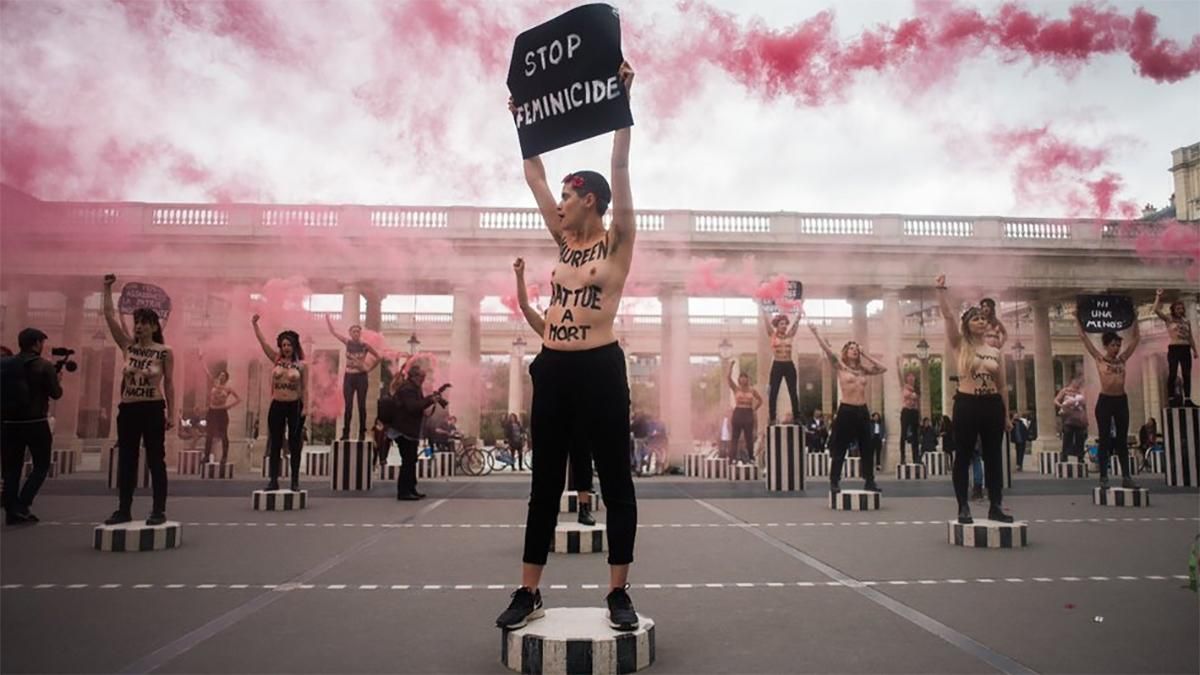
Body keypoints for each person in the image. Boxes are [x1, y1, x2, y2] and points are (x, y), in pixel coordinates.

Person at [497, 62, 640, 633]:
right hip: (553, 366)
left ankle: (618, 592)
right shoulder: (562, 241)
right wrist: (523, 122)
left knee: (616, 478)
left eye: (567, 194)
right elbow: (532, 174)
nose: (558, 201)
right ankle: (528, 590)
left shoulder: (617, 242)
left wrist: (623, 106)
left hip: (600, 368)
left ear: (591, 200)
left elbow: (620, 167)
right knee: (544, 483)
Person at [937, 274, 1013, 524]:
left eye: (983, 318)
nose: (981, 321)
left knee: (994, 457)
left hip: (992, 404)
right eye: (975, 318)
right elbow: (948, 317)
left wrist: (1006, 415)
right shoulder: (959, 345)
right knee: (963, 455)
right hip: (967, 404)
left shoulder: (994, 351)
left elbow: (1002, 386)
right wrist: (941, 291)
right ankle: (963, 506)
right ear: (967, 324)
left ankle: (996, 505)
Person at [102, 274, 175, 525]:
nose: (139, 327)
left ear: (155, 327)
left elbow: (170, 383)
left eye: (144, 323)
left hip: (153, 407)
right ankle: (124, 509)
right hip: (128, 409)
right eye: (137, 323)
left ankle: (158, 510)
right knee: (127, 459)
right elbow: (109, 317)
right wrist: (107, 289)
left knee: (156, 460)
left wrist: (172, 414)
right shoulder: (128, 347)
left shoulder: (164, 352)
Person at [809, 323, 887, 493]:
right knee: (841, 447)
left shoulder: (863, 370)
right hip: (846, 409)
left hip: (862, 409)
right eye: (851, 348)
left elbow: (883, 368)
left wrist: (866, 354)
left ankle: (869, 481)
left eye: (856, 348)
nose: (854, 350)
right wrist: (816, 333)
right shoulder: (840, 366)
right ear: (846, 351)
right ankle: (834, 481)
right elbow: (828, 351)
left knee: (866, 447)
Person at [1, 327, 63, 525]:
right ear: (36, 343)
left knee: (11, 469)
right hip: (36, 423)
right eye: (42, 342)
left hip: (10, 423)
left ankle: (11, 510)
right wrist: (57, 380)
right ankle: (23, 504)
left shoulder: (4, 364)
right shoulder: (44, 366)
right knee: (41, 466)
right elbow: (56, 394)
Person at [1077, 317, 1141, 489]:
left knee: (1122, 440)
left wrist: (1135, 318)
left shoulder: (1122, 359)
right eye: (1113, 345)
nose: (1116, 348)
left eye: (1118, 345)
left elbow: (1136, 339)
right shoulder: (1100, 359)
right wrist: (1077, 317)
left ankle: (1126, 477)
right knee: (1104, 439)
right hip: (1105, 400)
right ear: (1106, 346)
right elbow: (1083, 338)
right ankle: (1104, 477)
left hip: (1121, 400)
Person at [252, 314, 306, 492]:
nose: (286, 348)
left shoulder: (302, 365)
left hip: (294, 405)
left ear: (294, 346)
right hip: (277, 404)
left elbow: (305, 388)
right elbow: (262, 342)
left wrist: (306, 407)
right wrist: (255, 325)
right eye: (283, 345)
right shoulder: (276, 359)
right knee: (274, 443)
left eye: (289, 345)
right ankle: (273, 480)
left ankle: (295, 481)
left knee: (294, 444)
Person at [386, 363, 449, 500]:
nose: (423, 379)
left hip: (409, 430)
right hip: (403, 430)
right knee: (408, 460)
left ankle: (411, 488)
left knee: (411, 460)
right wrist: (430, 400)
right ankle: (404, 492)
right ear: (414, 376)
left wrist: (431, 399)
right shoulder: (407, 389)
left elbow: (419, 406)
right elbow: (413, 407)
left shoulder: (414, 388)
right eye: (422, 376)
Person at [325, 315, 382, 440]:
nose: (356, 333)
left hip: (361, 377)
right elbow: (333, 333)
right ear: (350, 333)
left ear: (360, 333)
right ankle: (346, 433)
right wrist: (328, 321)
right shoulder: (348, 342)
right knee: (348, 406)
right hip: (349, 377)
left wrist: (368, 368)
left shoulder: (365, 346)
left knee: (361, 405)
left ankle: (362, 433)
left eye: (358, 331)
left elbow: (378, 357)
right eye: (353, 331)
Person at [1152, 289, 1197, 406]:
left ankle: (1187, 399)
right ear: (1173, 310)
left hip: (1185, 348)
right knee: (1173, 372)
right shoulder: (1169, 319)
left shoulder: (1186, 321)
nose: (1180, 310)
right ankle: (1171, 397)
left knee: (1186, 374)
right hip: (1174, 348)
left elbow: (1190, 337)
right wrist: (1158, 296)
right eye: (1178, 308)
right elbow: (1155, 310)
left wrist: (1195, 350)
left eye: (1181, 308)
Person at [760, 305, 801, 425]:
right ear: (777, 325)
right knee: (773, 392)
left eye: (785, 324)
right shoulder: (773, 335)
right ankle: (772, 417)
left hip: (789, 364)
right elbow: (767, 326)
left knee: (793, 391)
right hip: (777, 364)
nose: (784, 326)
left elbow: (796, 324)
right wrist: (764, 313)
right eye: (781, 324)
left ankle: (797, 417)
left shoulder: (790, 335)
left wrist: (799, 315)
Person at [199, 355, 241, 466]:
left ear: (226, 378)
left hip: (221, 412)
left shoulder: (228, 388)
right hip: (212, 411)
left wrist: (228, 406)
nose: (221, 377)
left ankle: (224, 457)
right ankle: (206, 456)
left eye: (223, 376)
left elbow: (239, 399)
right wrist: (202, 360)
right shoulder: (214, 384)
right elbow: (207, 373)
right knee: (209, 434)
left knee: (223, 435)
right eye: (220, 375)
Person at [726, 360, 763, 465]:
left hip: (748, 412)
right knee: (735, 437)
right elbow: (728, 379)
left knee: (749, 437)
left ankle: (751, 457)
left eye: (745, 377)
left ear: (747, 379)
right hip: (738, 412)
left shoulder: (752, 390)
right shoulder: (736, 388)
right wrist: (731, 367)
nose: (743, 379)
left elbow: (760, 400)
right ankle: (732, 458)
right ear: (739, 379)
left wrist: (754, 409)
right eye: (741, 377)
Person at [1055, 376, 1087, 462]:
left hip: (1079, 417)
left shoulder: (1080, 391)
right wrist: (1062, 406)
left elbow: (1085, 404)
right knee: (1067, 435)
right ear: (1072, 381)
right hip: (1068, 418)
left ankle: (1080, 456)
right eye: (1076, 381)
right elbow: (1056, 400)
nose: (1077, 383)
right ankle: (1064, 455)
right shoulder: (1065, 391)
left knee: (1080, 437)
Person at [897, 361, 920, 464]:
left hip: (914, 412)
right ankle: (903, 457)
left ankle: (916, 457)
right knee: (903, 434)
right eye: (909, 376)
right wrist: (898, 366)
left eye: (912, 376)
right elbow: (899, 377)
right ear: (906, 378)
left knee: (915, 435)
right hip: (906, 411)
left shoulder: (917, 388)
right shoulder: (904, 386)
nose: (911, 378)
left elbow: (918, 401)